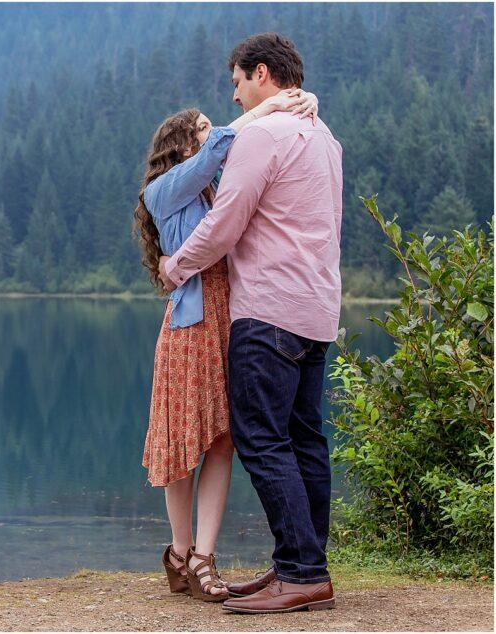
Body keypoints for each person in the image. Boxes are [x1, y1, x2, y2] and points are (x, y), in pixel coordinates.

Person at [158, 32, 343, 614]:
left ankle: (302, 571)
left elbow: (224, 225)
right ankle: (304, 563)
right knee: (306, 439)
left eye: (237, 82)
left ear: (261, 74)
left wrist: (175, 266)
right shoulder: (324, 136)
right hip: (317, 312)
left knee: (262, 440)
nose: (234, 96)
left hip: (267, 313)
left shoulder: (261, 136)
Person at [135, 89, 317, 602]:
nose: (214, 133)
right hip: (189, 330)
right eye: (203, 127)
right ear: (182, 143)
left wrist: (294, 108)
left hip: (229, 323)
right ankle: (179, 551)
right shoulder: (164, 191)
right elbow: (224, 144)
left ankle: (202, 558)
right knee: (183, 444)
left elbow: (235, 158)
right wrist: (272, 105)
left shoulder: (215, 190)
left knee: (221, 439)